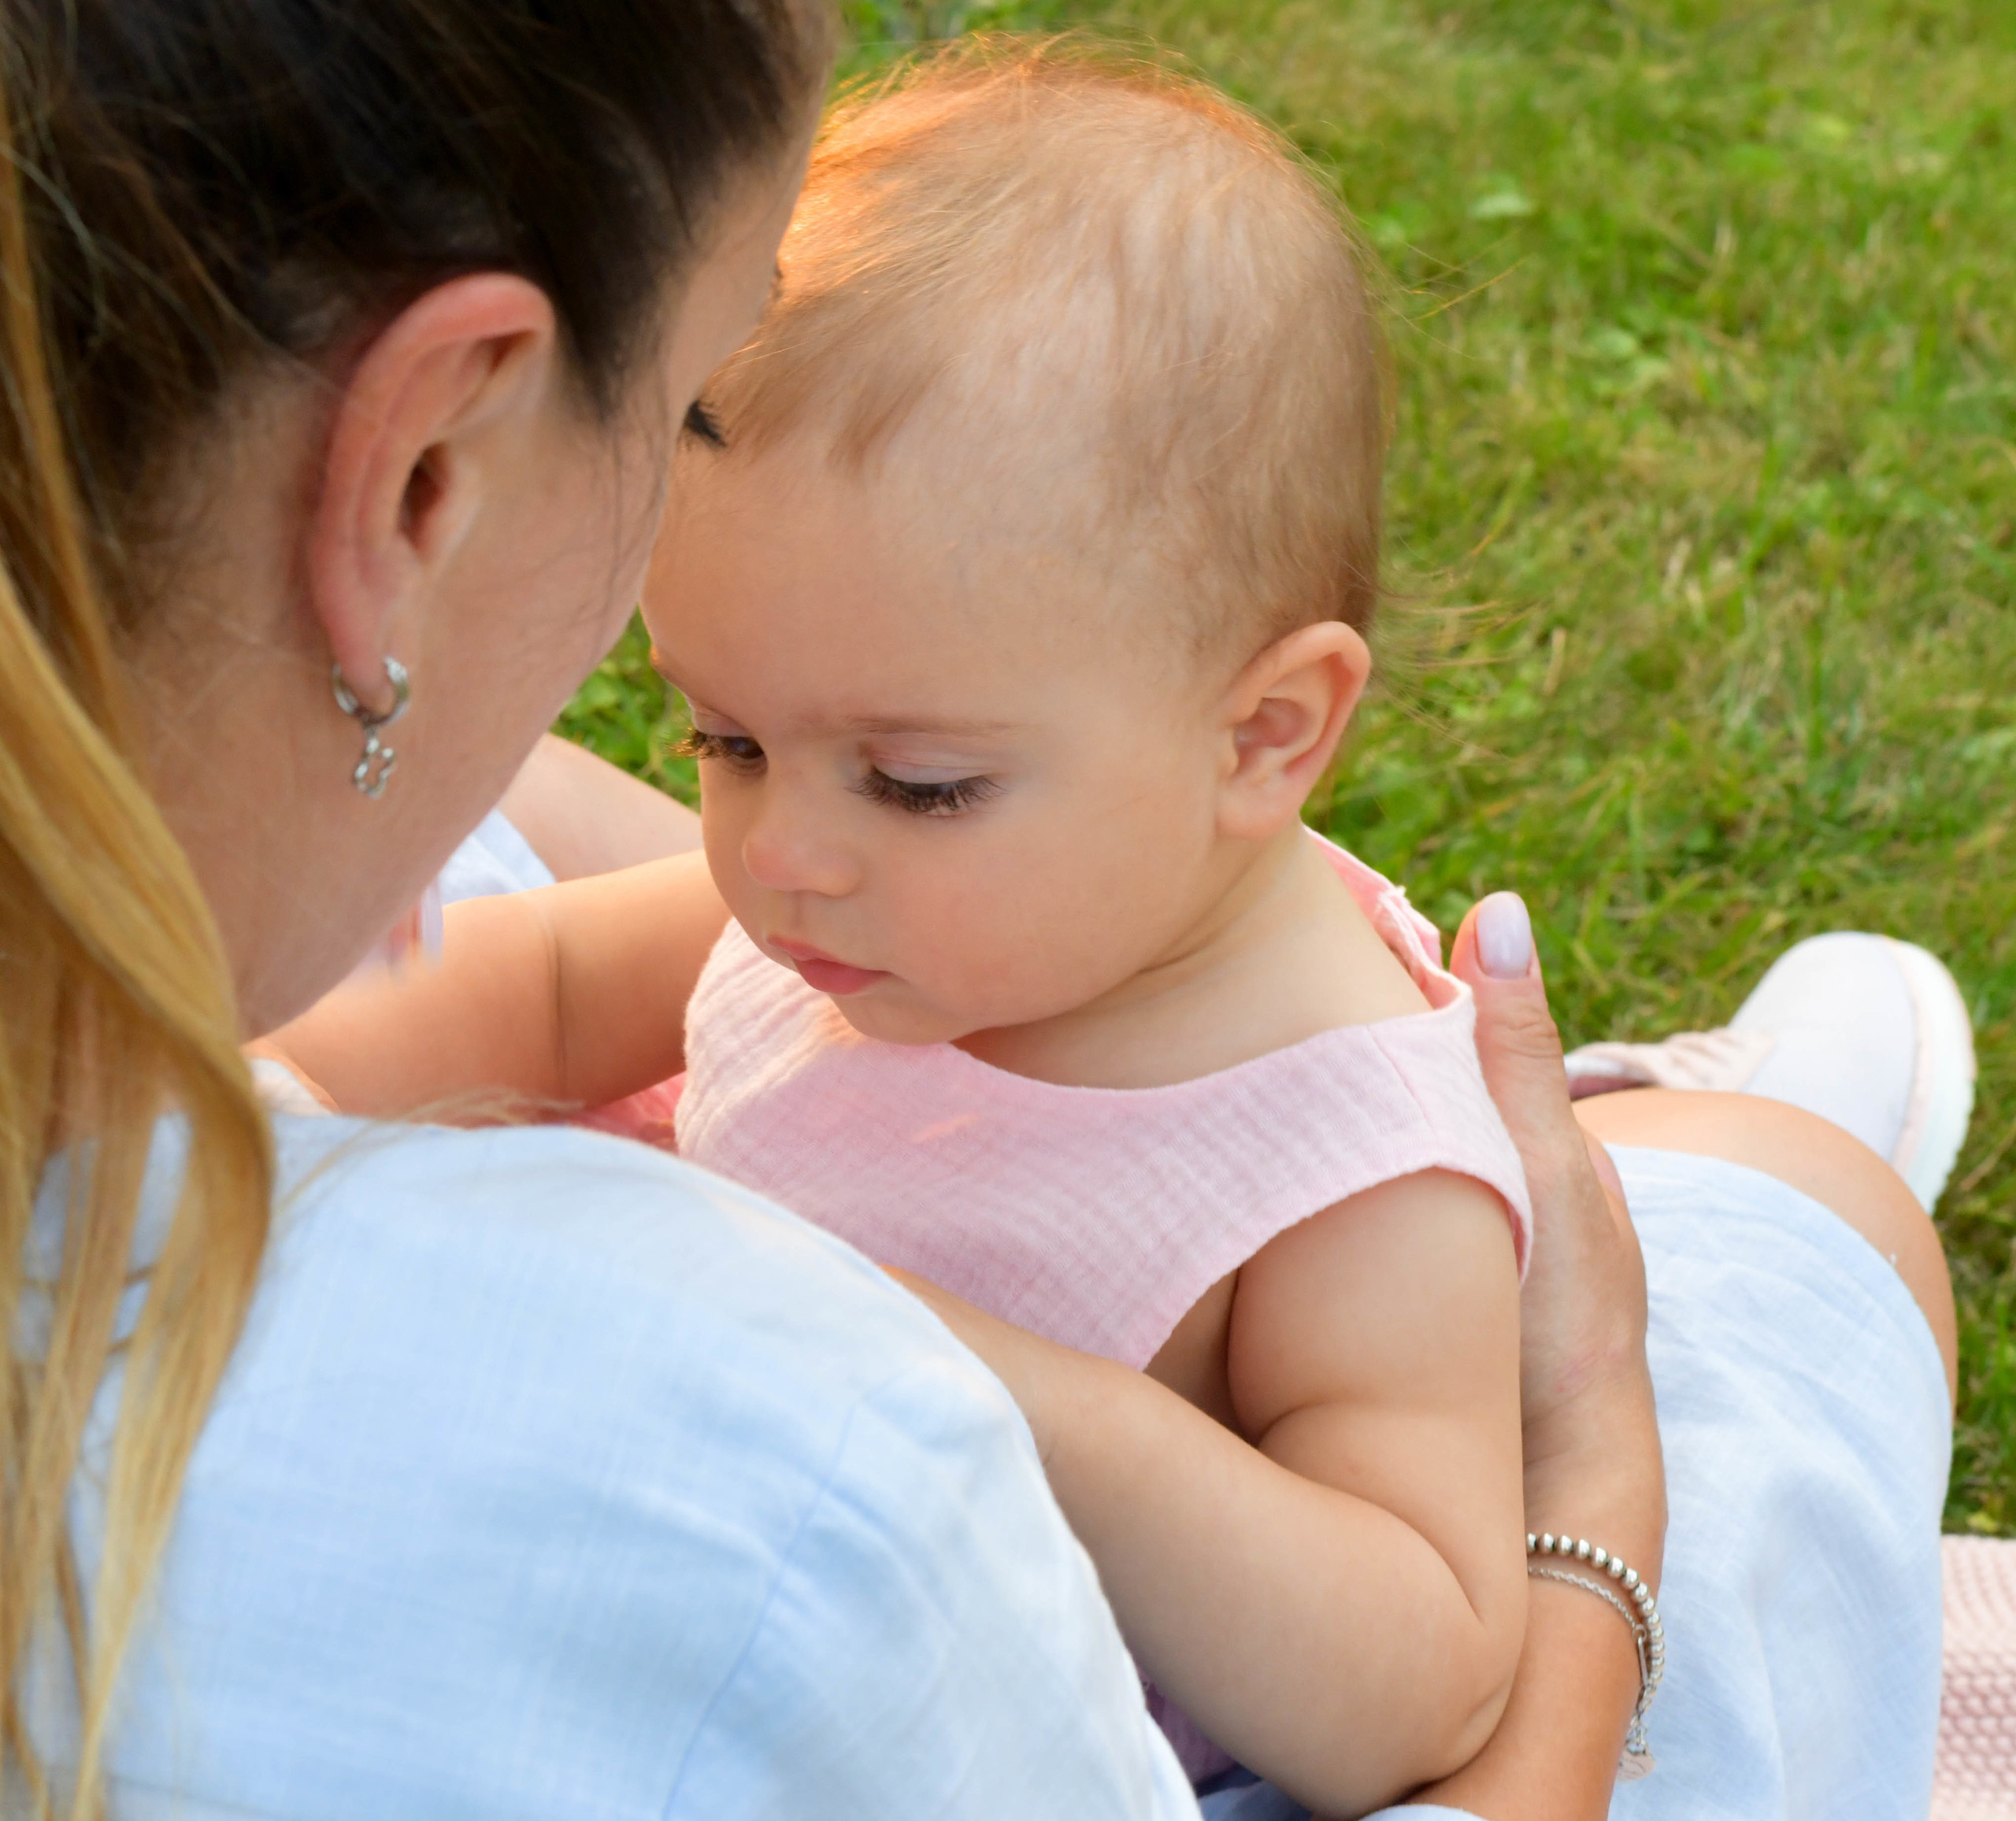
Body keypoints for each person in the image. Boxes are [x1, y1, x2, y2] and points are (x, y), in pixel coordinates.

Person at [0, 4, 1951, 1819]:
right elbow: (525, 988)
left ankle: (1683, 1110)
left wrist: (1030, 1398)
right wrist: (239, 1116)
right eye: (722, 735)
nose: (781, 856)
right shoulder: (873, 918)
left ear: (1264, 732)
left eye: (916, 779)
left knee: (1725, 1205)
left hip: (1165, 1712)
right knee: (1770, 1226)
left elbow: (1421, 1679)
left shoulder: (1349, 1166)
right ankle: (1718, 1122)